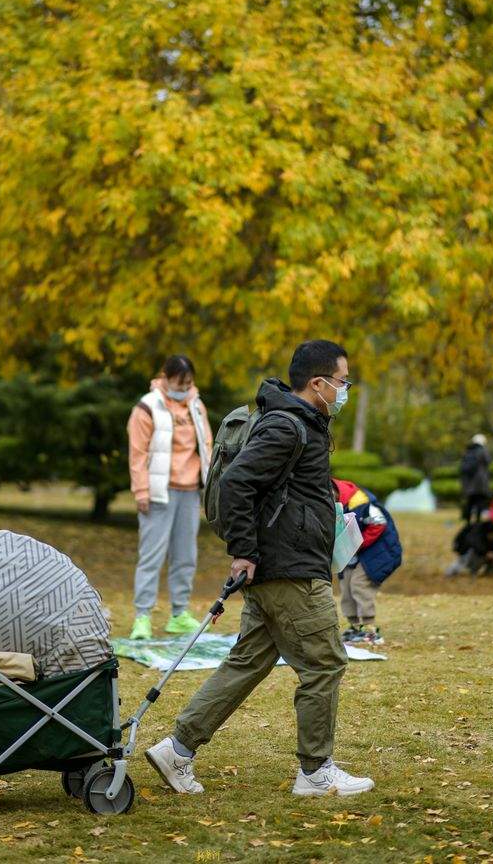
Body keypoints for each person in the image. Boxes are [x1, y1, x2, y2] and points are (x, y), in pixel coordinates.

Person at [145, 340, 374, 798]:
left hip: (285, 565)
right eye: (343, 382)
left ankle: (178, 750)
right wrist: (244, 551)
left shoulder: (303, 423)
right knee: (325, 663)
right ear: (319, 383)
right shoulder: (288, 426)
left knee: (246, 664)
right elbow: (235, 485)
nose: (345, 390)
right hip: (288, 571)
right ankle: (315, 771)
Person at [127, 354, 213, 640]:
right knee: (151, 556)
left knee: (186, 556)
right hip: (158, 493)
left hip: (190, 492)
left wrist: (209, 483)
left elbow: (207, 446)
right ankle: (142, 616)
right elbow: (138, 453)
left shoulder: (197, 406)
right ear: (165, 377)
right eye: (179, 382)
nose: (184, 387)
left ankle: (179, 613)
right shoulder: (147, 407)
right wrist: (141, 490)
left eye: (188, 382)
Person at [335, 479, 402, 645]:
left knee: (359, 584)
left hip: (379, 552)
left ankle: (369, 627)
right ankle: (355, 626)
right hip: (353, 553)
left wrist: (358, 542)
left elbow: (379, 523)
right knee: (346, 583)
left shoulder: (361, 501)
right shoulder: (333, 506)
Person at [459, 434, 491, 522]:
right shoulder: (483, 451)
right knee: (479, 502)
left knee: (470, 502)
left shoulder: (468, 451)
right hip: (480, 483)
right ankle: (477, 521)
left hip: (469, 482)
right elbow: (488, 462)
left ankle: (468, 521)